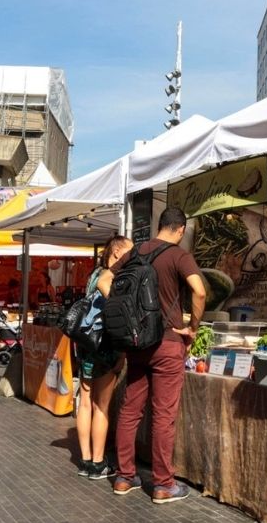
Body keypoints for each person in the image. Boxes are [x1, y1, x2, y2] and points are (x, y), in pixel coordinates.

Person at [101, 208, 205, 503]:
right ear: (181, 230)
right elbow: (199, 291)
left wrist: (128, 315)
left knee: (130, 410)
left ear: (160, 225)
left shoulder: (136, 252)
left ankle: (124, 477)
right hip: (168, 342)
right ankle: (163, 484)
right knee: (163, 415)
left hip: (137, 344)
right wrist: (192, 328)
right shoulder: (178, 255)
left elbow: (103, 281)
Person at [75, 235, 133, 480]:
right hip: (104, 346)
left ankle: (85, 460)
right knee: (102, 405)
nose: (133, 256)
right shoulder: (108, 276)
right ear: (117, 253)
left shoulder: (92, 274)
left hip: (85, 344)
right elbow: (116, 308)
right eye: (130, 252)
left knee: (85, 401)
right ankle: (98, 463)